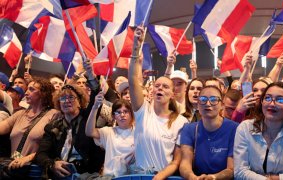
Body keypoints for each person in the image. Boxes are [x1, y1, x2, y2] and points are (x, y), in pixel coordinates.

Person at [129, 25, 188, 179]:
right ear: (152, 91)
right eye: (157, 86)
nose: (160, 88)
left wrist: (160, 176)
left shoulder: (181, 121)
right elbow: (133, 80)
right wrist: (136, 48)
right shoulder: (143, 111)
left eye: (165, 86)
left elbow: (176, 160)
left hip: (165, 177)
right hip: (140, 176)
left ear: (172, 94)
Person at [34, 60, 104, 179]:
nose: (66, 101)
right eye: (62, 98)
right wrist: (52, 164)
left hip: (85, 175)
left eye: (71, 97)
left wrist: (90, 74)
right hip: (59, 175)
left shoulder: (88, 119)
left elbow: (96, 94)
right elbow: (41, 154)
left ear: (80, 102)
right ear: (58, 103)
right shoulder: (53, 127)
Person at [234, 82, 283, 180]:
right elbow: (239, 172)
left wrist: (276, 178)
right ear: (261, 102)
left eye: (280, 100)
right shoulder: (245, 128)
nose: (272, 103)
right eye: (267, 98)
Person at [179, 86, 238, 179]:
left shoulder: (234, 129)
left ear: (222, 104)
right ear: (198, 104)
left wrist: (214, 177)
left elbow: (232, 169)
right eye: (203, 99)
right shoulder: (189, 129)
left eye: (214, 99)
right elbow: (185, 163)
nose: (208, 103)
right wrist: (193, 178)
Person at [0, 77, 57, 168]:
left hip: (35, 169)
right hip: (13, 168)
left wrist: (28, 158)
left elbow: (53, 147)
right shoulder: (20, 114)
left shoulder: (54, 114)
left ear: (44, 93)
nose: (26, 93)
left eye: (31, 89)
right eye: (27, 89)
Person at [85, 94, 135, 178]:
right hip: (109, 177)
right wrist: (95, 107)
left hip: (132, 177)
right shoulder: (108, 132)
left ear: (131, 114)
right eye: (118, 112)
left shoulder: (138, 132)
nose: (122, 115)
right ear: (113, 116)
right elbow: (89, 132)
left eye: (126, 111)